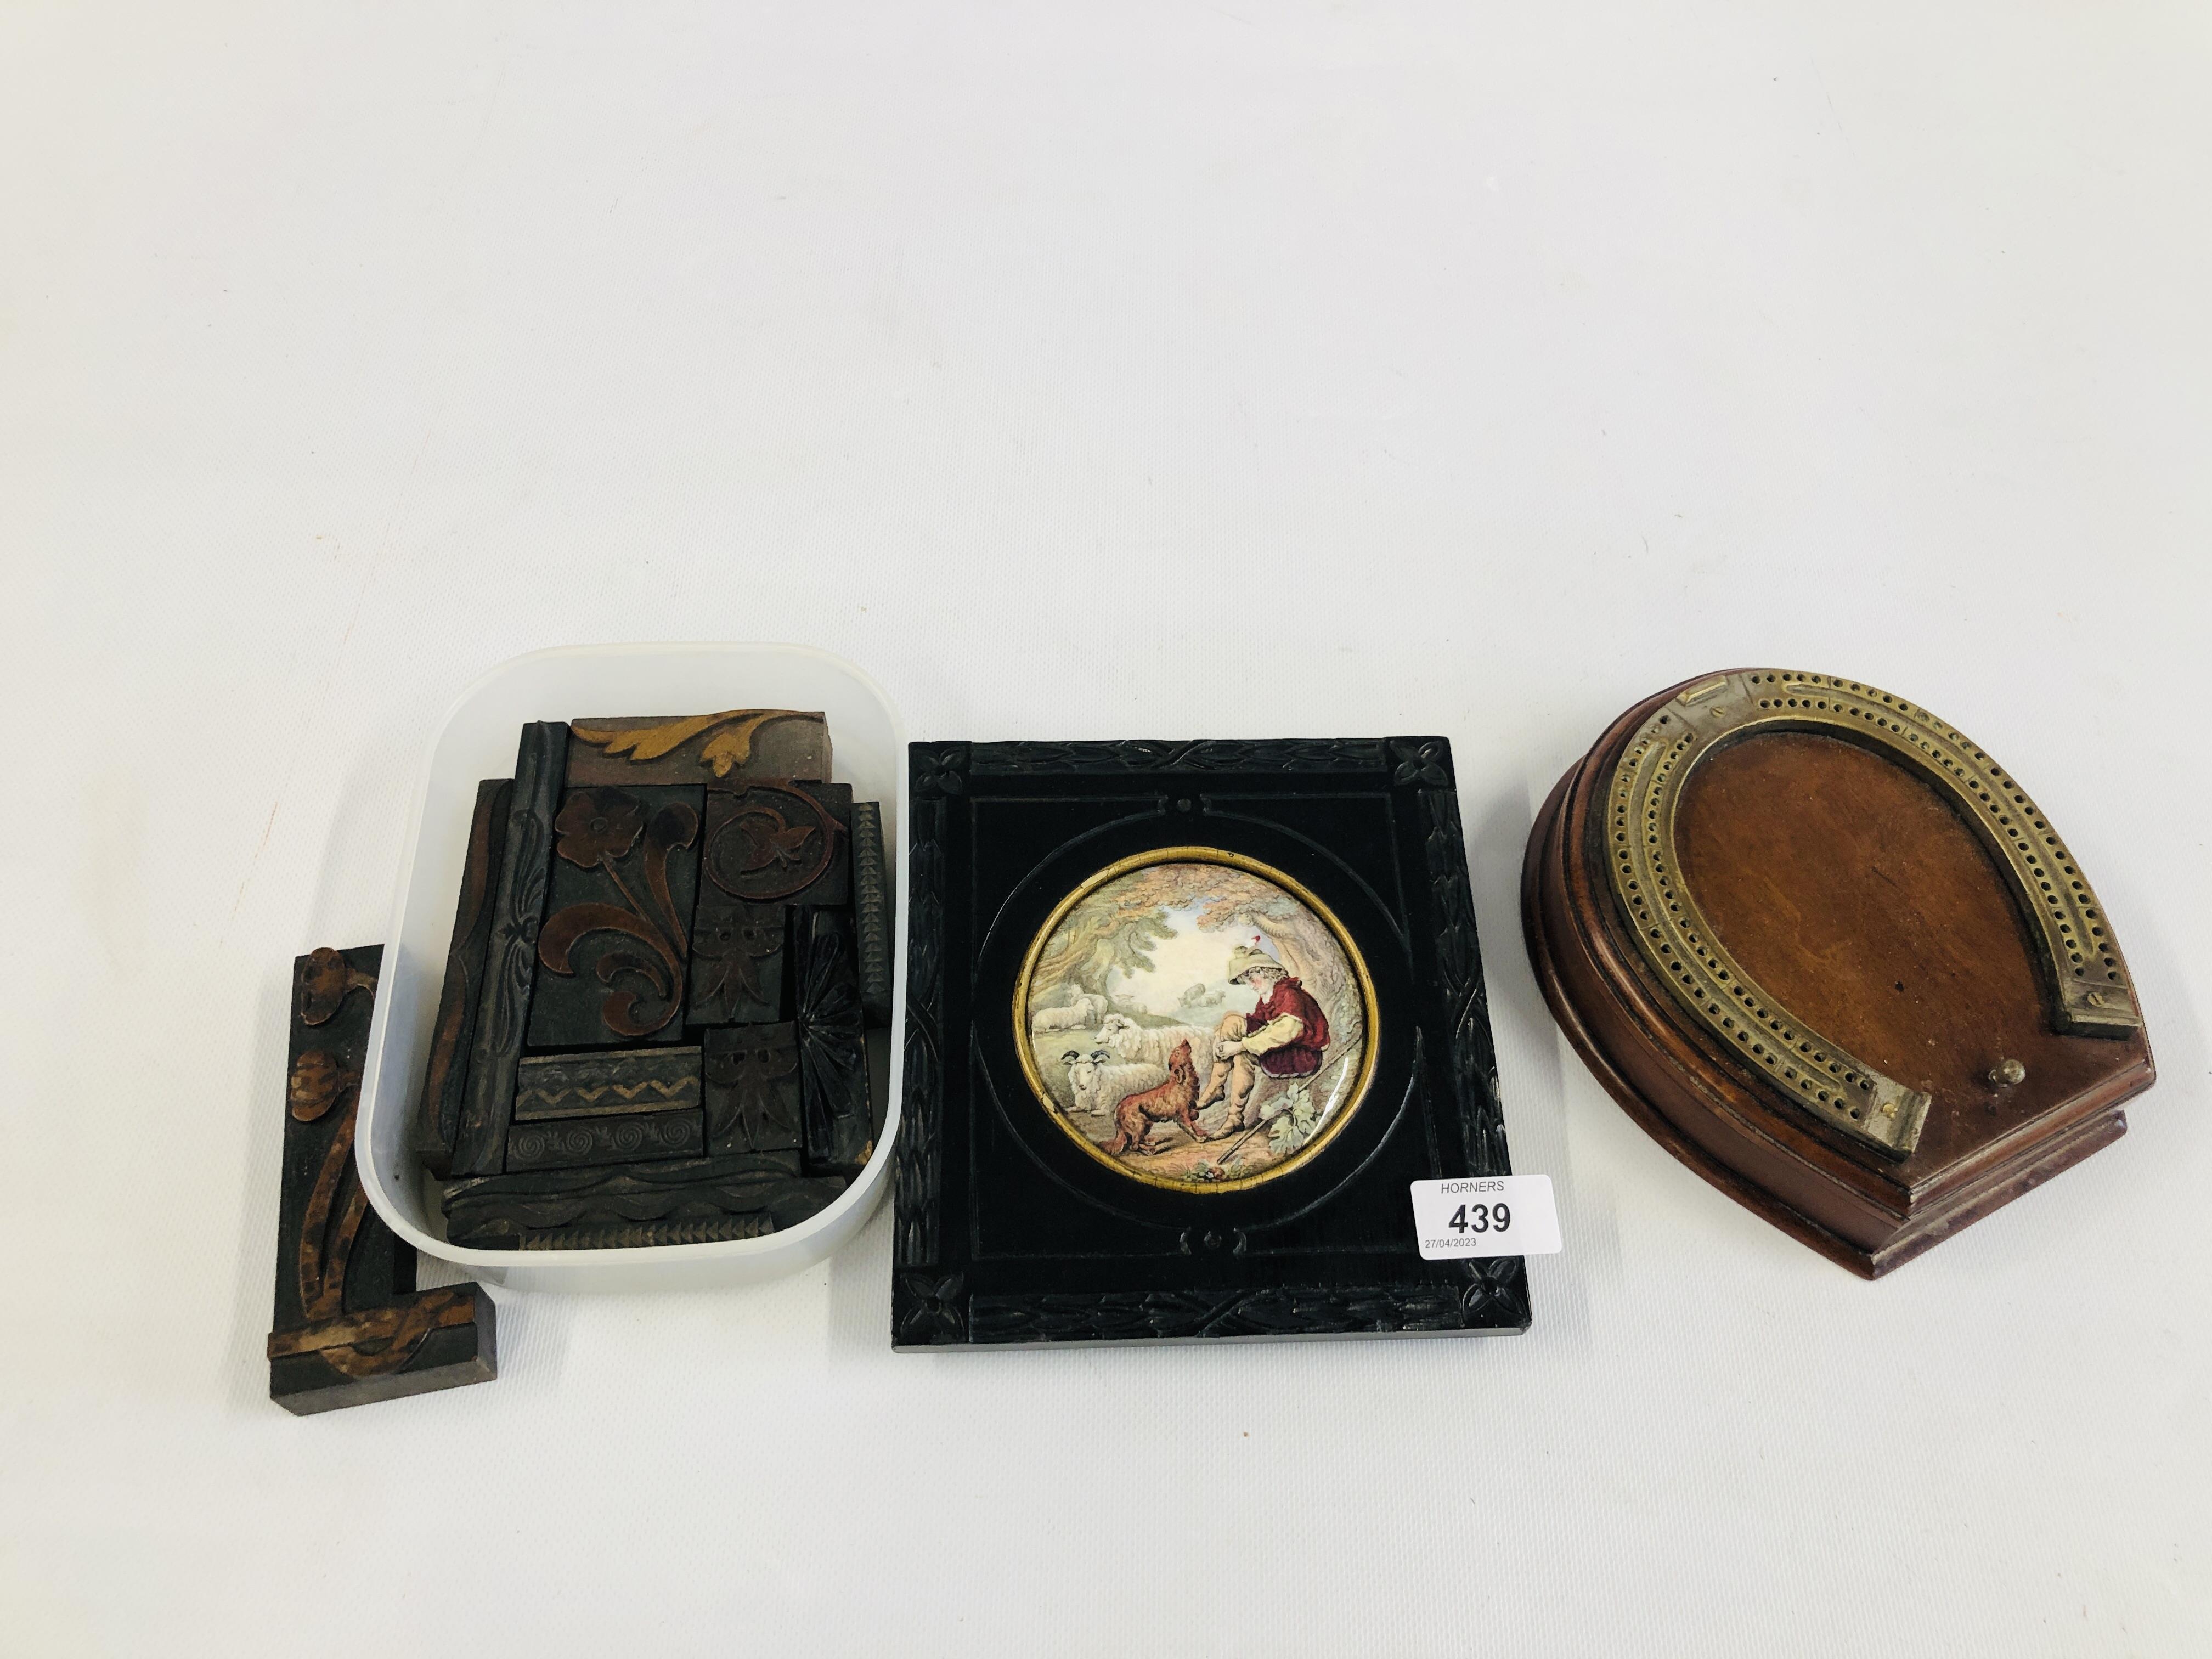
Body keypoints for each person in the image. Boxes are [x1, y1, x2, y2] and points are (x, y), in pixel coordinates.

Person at [1194, 941, 1330, 1131]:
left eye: (1251, 979)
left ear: (1264, 972)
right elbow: (1259, 1025)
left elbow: (1285, 1031)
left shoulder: (1289, 994)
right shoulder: (1269, 996)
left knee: (1244, 1055)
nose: (1250, 986)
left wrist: (1241, 1045)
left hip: (1301, 1054)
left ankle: (1235, 1117)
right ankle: (1216, 1087)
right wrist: (1222, 1035)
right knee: (1231, 1021)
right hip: (1284, 1047)